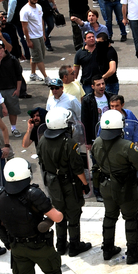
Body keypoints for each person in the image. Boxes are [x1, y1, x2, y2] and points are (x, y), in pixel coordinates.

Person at [0, 159, 78, 274]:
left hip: (17, 246)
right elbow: (58, 217)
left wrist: (7, 243)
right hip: (39, 245)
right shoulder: (33, 194)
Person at [92, 109, 138, 264]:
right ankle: (132, 252)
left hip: (105, 186)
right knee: (130, 218)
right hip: (125, 188)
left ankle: (107, 249)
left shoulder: (96, 142)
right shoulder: (128, 146)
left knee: (110, 215)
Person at [35, 107, 91, 256]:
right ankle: (74, 245)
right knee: (73, 213)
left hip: (53, 184)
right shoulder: (69, 143)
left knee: (58, 213)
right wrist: (85, 184)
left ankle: (60, 245)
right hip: (69, 184)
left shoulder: (42, 141)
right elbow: (78, 168)